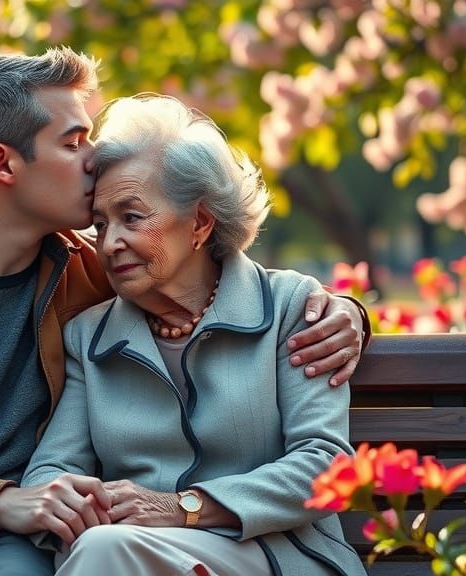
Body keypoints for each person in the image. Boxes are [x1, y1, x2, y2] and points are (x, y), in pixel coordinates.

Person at [0, 48, 368, 576]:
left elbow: (211, 269)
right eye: (72, 142)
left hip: (32, 546)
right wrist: (13, 503)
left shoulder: (93, 277)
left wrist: (347, 314)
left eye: (130, 217)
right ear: (3, 165)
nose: (93, 160)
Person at [20, 94, 368, 576]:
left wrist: (182, 508)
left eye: (132, 217)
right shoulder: (89, 337)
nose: (110, 242)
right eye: (100, 224)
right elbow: (52, 470)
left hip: (278, 557)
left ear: (200, 222)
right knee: (103, 548)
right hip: (134, 556)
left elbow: (327, 465)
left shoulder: (290, 307)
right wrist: (71, 505)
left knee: (105, 552)